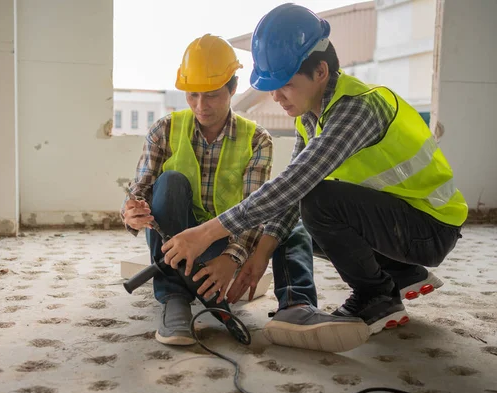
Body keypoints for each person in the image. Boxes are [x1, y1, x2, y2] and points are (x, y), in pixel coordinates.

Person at [161, 4, 467, 343]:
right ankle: (401, 272)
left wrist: (204, 233)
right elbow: (289, 203)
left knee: (319, 202)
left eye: (286, 84)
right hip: (399, 222)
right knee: (304, 222)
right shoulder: (309, 117)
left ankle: (377, 296)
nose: (275, 96)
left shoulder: (357, 109)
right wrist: (259, 255)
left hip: (431, 228)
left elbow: (294, 184)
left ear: (320, 71)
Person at [122, 34, 319, 347]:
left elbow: (256, 211)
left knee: (288, 222)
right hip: (176, 242)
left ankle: (296, 307)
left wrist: (231, 259)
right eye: (193, 95)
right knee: (170, 181)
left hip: (224, 245)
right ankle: (175, 295)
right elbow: (139, 193)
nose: (201, 106)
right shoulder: (164, 130)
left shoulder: (257, 140)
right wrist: (132, 214)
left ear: (232, 88)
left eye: (212, 95)